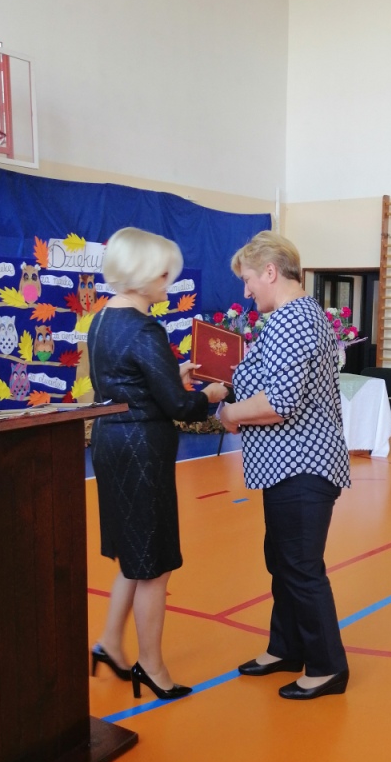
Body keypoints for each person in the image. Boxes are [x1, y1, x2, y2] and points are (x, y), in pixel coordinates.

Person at [87, 227, 229, 699]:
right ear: (143, 274)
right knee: (155, 565)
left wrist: (171, 373)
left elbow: (124, 380)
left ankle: (110, 642)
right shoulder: (145, 328)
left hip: (109, 442)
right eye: (165, 273)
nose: (170, 281)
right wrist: (209, 394)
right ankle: (151, 666)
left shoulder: (102, 320)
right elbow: (179, 405)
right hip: (141, 450)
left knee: (134, 554)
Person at [219, 231, 351, 700]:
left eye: (249, 279)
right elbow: (263, 381)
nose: (246, 290)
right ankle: (287, 646)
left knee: (300, 567)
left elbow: (278, 402)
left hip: (302, 468)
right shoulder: (293, 317)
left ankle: (327, 666)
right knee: (283, 562)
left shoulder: (293, 320)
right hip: (290, 468)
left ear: (271, 272)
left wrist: (230, 414)